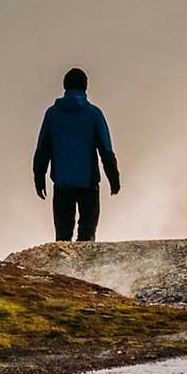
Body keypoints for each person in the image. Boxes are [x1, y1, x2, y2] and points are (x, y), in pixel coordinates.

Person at [32, 67, 121, 243]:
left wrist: (39, 176)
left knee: (63, 238)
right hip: (88, 184)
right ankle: (83, 270)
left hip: (62, 184)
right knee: (86, 237)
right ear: (85, 87)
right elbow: (106, 150)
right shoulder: (94, 114)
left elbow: (43, 148)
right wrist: (114, 178)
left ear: (65, 86)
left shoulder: (52, 114)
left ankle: (61, 268)